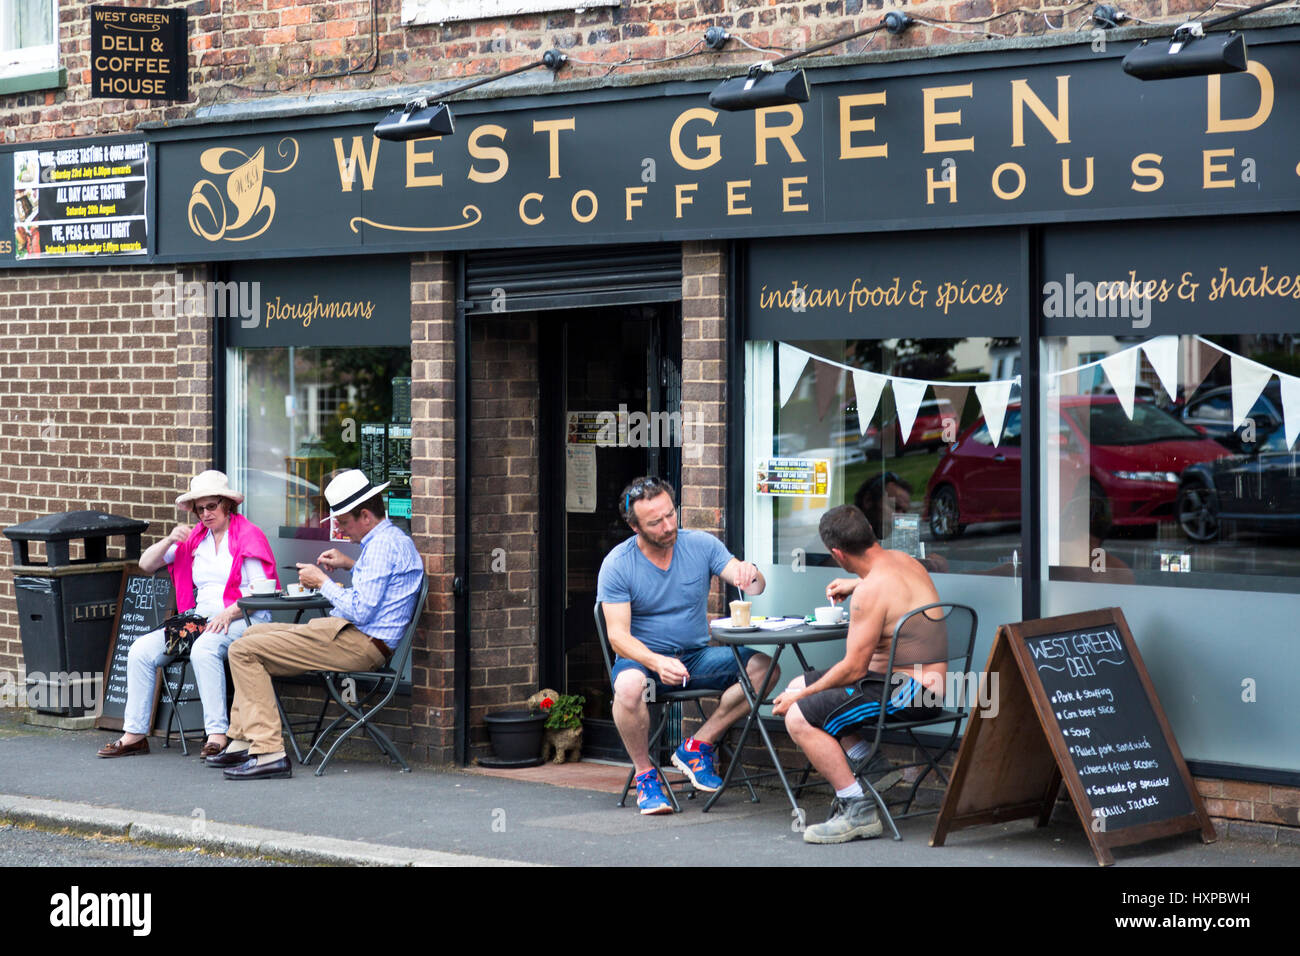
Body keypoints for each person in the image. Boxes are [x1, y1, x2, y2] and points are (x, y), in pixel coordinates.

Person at [206, 469, 423, 780]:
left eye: (345, 523)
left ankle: (268, 752)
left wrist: (322, 582)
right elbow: (383, 589)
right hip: (354, 635)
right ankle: (241, 740)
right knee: (252, 634)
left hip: (360, 642)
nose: (343, 531)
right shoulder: (391, 539)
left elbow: (361, 610)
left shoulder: (381, 547)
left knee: (243, 651)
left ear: (365, 515)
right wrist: (350, 565)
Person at [597, 476, 777, 814]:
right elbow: (617, 637)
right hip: (643, 663)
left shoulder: (701, 545)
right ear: (636, 527)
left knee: (764, 669)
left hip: (694, 659)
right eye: (656, 522)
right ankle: (646, 775)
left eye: (670, 514)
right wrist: (655, 662)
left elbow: (752, 585)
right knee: (629, 686)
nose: (668, 526)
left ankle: (698, 744)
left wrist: (750, 574)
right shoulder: (618, 564)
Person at [773, 504, 947, 844]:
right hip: (919, 685)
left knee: (798, 715)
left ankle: (858, 808)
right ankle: (873, 766)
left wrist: (802, 698)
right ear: (869, 530)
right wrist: (856, 584)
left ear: (837, 553)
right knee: (800, 684)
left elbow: (854, 669)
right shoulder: (902, 561)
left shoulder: (870, 592)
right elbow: (889, 584)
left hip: (908, 693)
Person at [97, 471, 278, 759]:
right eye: (199, 508)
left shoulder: (248, 535)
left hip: (244, 616)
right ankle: (134, 735)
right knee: (140, 650)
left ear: (227, 504)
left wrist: (230, 613)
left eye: (211, 506)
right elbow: (146, 564)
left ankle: (217, 734)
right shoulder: (196, 538)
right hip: (201, 617)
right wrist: (170, 540)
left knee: (204, 648)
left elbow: (262, 592)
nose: (205, 514)